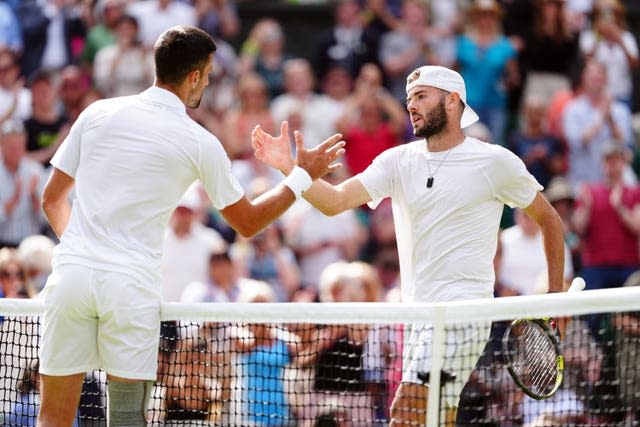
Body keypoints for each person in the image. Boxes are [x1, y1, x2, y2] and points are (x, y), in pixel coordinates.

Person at [37, 25, 344, 427]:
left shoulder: (96, 113)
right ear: (195, 76)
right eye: (209, 74)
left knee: (51, 420)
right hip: (129, 291)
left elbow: (51, 198)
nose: (209, 82)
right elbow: (248, 222)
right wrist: (301, 176)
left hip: (72, 277)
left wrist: (83, 250)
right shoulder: (199, 141)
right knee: (126, 420)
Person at [252, 64, 565, 426]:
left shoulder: (495, 161)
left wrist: (554, 298)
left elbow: (550, 220)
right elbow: (334, 200)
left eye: (421, 96)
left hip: (462, 312)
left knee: (406, 412)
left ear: (452, 101)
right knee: (437, 418)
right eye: (408, 99)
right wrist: (289, 167)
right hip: (417, 315)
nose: (411, 106)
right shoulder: (397, 161)